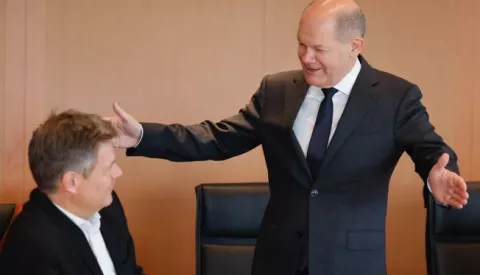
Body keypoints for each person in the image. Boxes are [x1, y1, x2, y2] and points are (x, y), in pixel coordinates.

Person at [104, 0, 469, 274]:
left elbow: (430, 148)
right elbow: (217, 138)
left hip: (351, 261)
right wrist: (141, 137)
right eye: (301, 45)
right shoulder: (278, 89)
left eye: (319, 49)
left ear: (355, 45)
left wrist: (438, 172)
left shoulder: (395, 96)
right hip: (277, 258)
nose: (306, 58)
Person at [0, 110, 144, 275]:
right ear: (72, 182)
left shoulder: (108, 207)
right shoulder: (30, 249)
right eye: (108, 168)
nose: (118, 173)